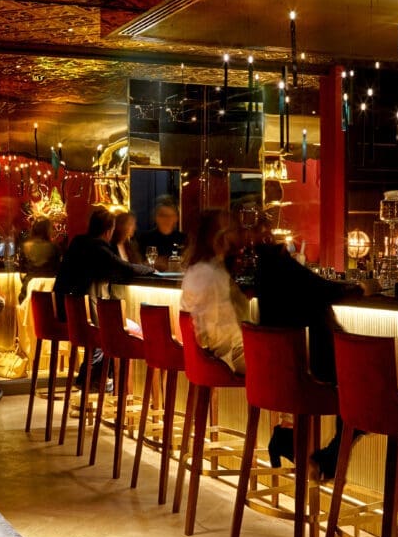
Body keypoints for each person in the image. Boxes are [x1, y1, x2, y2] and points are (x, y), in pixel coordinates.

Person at [253, 239, 363, 481]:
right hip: (313, 376)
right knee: (369, 387)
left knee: (360, 384)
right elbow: (333, 290)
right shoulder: (288, 271)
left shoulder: (264, 277)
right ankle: (330, 455)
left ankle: (290, 437)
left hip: (285, 375)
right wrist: (363, 287)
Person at [53, 206, 153, 386]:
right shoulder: (98, 249)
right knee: (129, 330)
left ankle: (95, 380)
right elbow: (125, 268)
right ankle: (104, 383)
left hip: (68, 313)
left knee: (103, 334)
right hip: (89, 320)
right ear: (108, 231)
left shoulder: (77, 244)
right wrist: (151, 270)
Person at [179, 208, 249, 375]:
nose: (239, 234)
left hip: (207, 355)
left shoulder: (197, 269)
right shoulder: (212, 275)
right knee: (283, 366)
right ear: (219, 236)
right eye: (233, 230)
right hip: (226, 357)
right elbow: (216, 338)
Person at [135, 197, 187, 270]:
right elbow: (138, 264)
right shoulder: (145, 238)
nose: (167, 219)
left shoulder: (183, 239)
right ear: (156, 217)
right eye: (163, 215)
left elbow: (187, 263)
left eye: (170, 216)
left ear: (176, 218)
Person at [18, 217, 61, 304]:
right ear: (48, 230)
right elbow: (58, 270)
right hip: (50, 290)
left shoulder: (25, 246)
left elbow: (22, 273)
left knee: (21, 297)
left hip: (29, 288)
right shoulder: (55, 247)